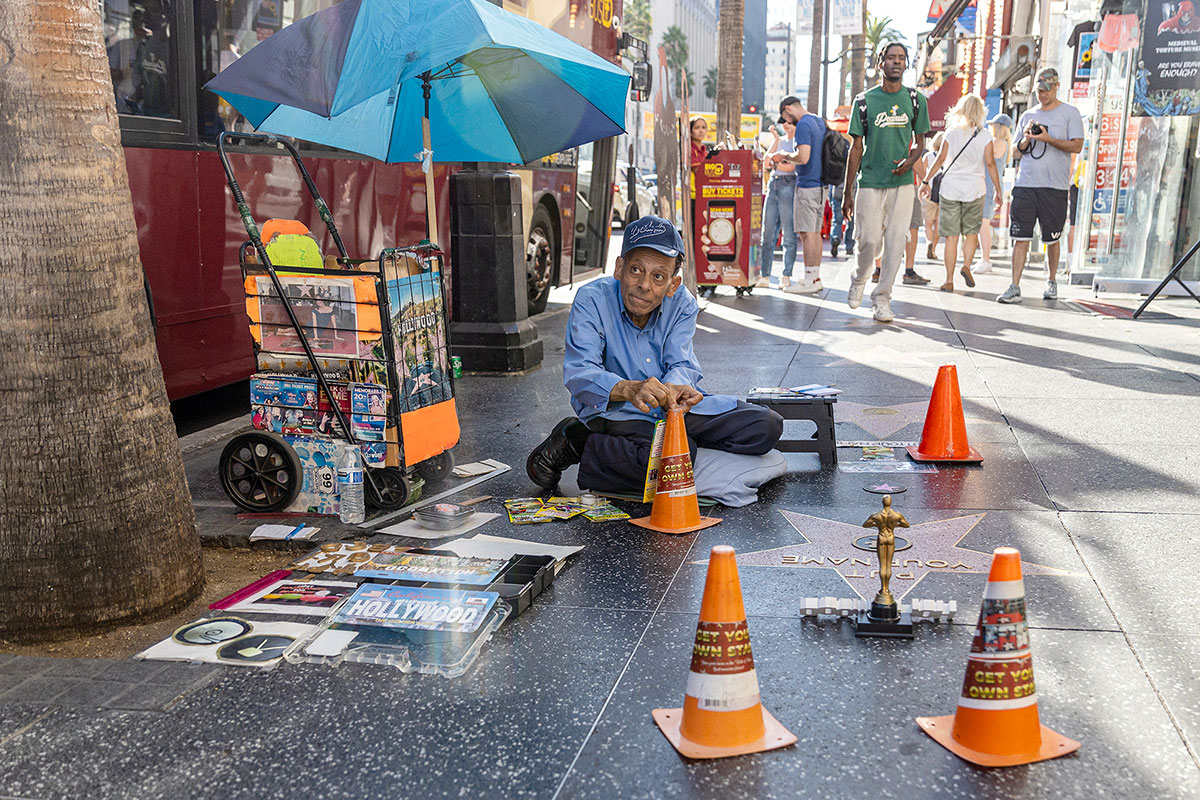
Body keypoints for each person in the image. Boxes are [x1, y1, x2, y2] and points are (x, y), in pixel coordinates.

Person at [525, 216, 784, 493]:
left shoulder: (682, 303)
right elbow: (580, 373)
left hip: (671, 409)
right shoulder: (592, 300)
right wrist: (629, 389)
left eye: (658, 276)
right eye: (636, 270)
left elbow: (682, 362)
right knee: (668, 463)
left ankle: (663, 445)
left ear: (673, 284)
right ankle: (577, 440)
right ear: (619, 268)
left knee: (766, 426)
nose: (645, 285)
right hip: (618, 410)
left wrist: (676, 386)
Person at [842, 43, 931, 323]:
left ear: (906, 64)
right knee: (868, 241)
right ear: (880, 63)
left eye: (901, 58)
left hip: (903, 183)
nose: (896, 62)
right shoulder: (864, 101)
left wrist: (910, 160)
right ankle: (859, 279)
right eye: (891, 57)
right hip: (869, 181)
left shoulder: (916, 100)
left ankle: (882, 298)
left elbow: (921, 142)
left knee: (895, 243)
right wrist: (848, 192)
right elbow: (855, 148)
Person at [997, 68, 1085, 303]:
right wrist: (1027, 138)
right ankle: (1014, 286)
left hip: (1054, 187)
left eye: (1047, 90)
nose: (1043, 94)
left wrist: (1049, 139)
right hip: (1026, 184)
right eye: (1039, 90)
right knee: (1020, 237)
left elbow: (1077, 146)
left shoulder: (1070, 113)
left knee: (1052, 238)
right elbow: (1014, 151)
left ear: (1056, 87)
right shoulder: (1028, 115)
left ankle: (1052, 280)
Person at [920, 94, 1003, 292]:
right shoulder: (984, 136)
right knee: (971, 232)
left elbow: (939, 159)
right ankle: (966, 265)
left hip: (950, 189)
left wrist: (925, 181)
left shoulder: (951, 132)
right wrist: (998, 190)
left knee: (951, 237)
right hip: (975, 189)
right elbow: (990, 164)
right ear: (980, 111)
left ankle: (949, 280)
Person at [773, 96, 828, 294]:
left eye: (785, 118)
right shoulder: (818, 121)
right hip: (821, 183)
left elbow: (803, 157)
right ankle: (814, 276)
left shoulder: (804, 124)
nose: (787, 122)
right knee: (814, 232)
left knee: (807, 233)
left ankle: (809, 278)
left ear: (788, 109)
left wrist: (783, 155)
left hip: (807, 185)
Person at [757, 118, 799, 289]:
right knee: (767, 234)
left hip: (789, 185)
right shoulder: (780, 141)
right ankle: (765, 275)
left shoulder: (798, 143)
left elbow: (793, 167)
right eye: (784, 122)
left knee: (788, 233)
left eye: (790, 122)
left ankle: (786, 275)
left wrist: (778, 163)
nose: (786, 125)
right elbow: (766, 163)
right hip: (773, 185)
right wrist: (776, 142)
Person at [974, 115, 1013, 274]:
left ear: (999, 127)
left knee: (983, 223)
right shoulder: (1003, 143)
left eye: (993, 126)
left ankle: (986, 259)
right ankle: (984, 258)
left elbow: (984, 158)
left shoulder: (997, 143)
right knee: (982, 223)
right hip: (990, 184)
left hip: (990, 185)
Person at [919, 132, 944, 260]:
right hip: (944, 194)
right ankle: (933, 250)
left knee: (928, 223)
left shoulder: (928, 156)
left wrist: (921, 188)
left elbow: (922, 174)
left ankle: (929, 241)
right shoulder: (948, 156)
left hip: (929, 193)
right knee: (938, 224)